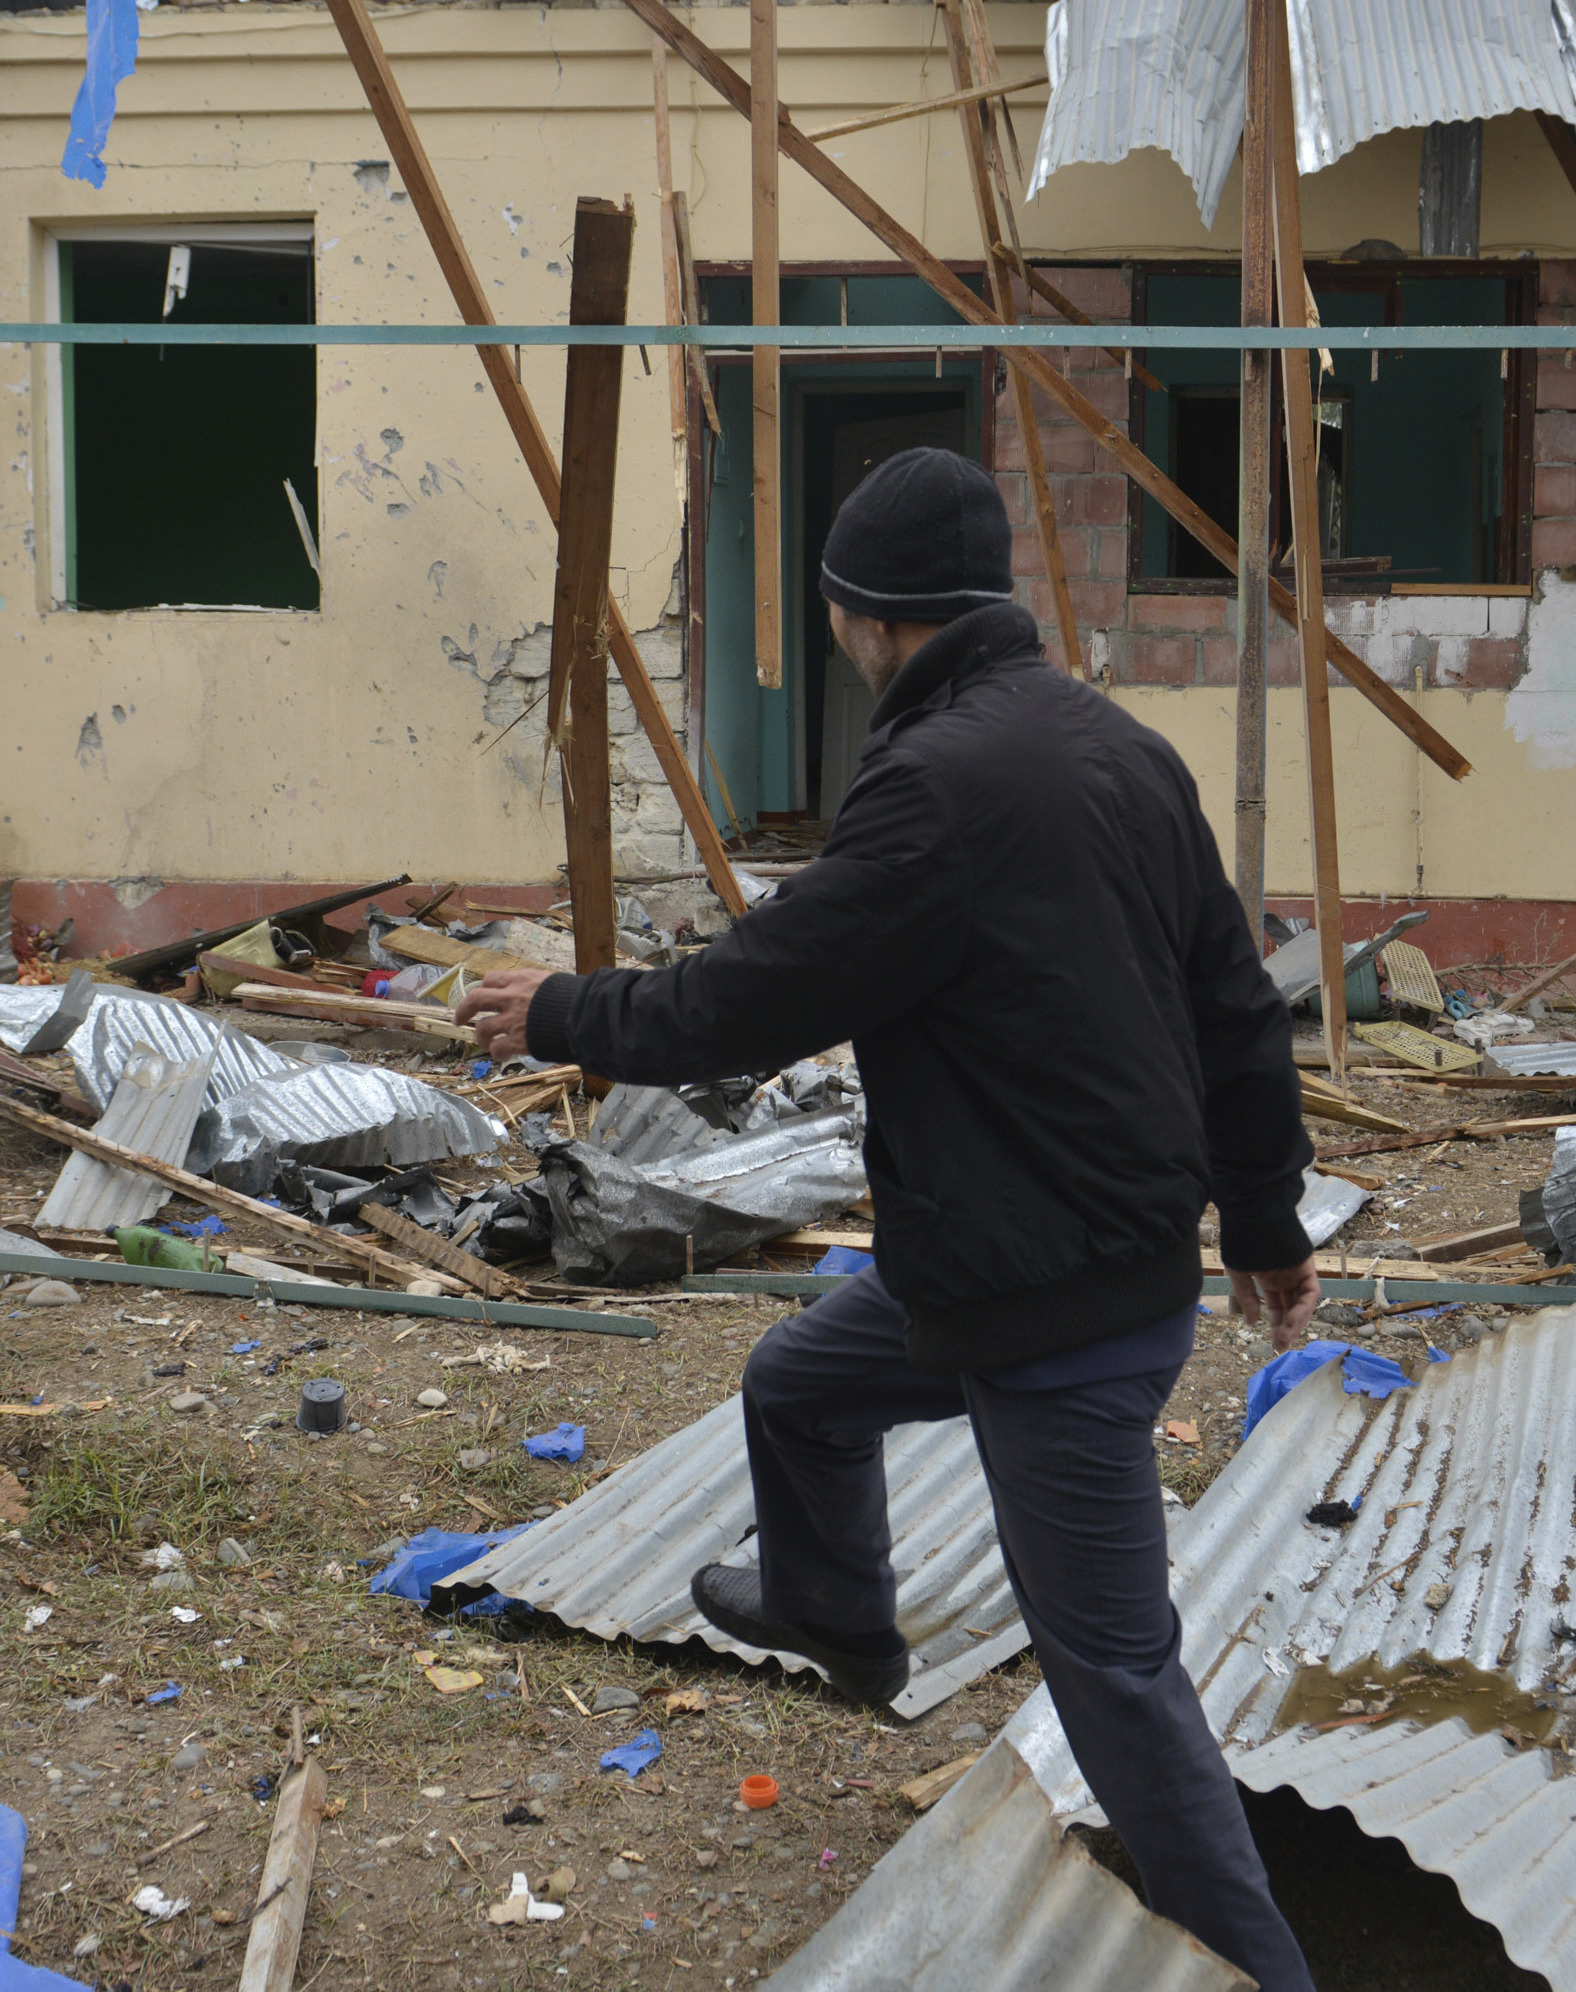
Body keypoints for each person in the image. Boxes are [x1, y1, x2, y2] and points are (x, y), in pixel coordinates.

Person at [454, 446, 1321, 1990]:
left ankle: (1258, 1966)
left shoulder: (934, 786)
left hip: (1052, 1304)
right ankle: (842, 1616)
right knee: (798, 1386)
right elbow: (1241, 1015)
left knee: (1114, 1674)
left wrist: (564, 1011)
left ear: (865, 620)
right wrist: (1264, 1221)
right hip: (1030, 1254)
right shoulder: (1113, 746)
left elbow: (757, 996)